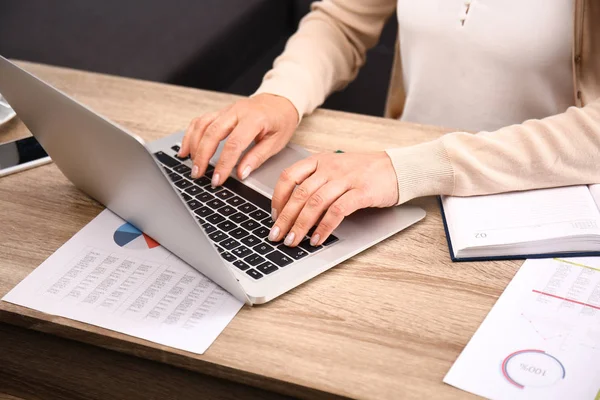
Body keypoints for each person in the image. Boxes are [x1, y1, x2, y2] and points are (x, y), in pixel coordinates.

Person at [178, 0, 600, 248]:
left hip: (531, 205)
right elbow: (342, 21)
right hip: (392, 187)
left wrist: (407, 168)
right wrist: (281, 96)